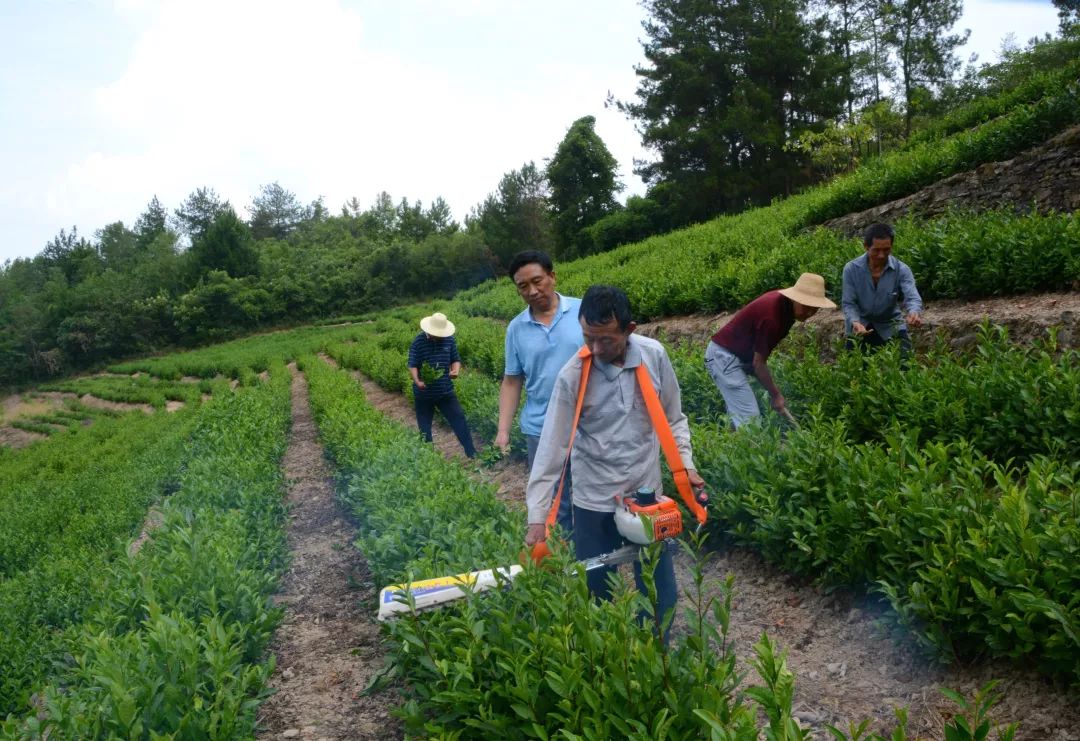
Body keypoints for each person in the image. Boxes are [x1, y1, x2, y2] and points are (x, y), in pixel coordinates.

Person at [524, 285, 706, 637]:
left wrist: (687, 466)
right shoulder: (573, 375)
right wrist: (537, 518)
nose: (594, 348)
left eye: (605, 340)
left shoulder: (654, 356)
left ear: (630, 329)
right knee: (599, 592)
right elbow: (551, 450)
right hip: (594, 498)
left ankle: (657, 651)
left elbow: (673, 418)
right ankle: (612, 658)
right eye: (587, 337)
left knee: (659, 590)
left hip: (646, 496)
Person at [496, 250, 583, 535]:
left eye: (538, 281)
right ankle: (565, 559)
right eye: (523, 286)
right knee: (554, 499)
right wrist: (503, 431)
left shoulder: (582, 312)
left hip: (587, 423)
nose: (532, 291)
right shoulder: (516, 329)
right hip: (540, 428)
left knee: (593, 492)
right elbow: (512, 381)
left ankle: (595, 553)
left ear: (552, 276)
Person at [705, 273, 836, 429]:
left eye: (814, 309)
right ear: (796, 298)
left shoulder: (785, 308)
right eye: (806, 306)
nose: (809, 313)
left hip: (732, 357)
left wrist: (771, 389)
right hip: (724, 358)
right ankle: (746, 451)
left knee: (739, 416)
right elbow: (758, 364)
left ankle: (730, 448)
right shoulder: (772, 316)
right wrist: (776, 395)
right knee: (750, 421)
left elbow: (756, 361)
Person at [842, 222, 924, 356]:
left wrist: (914, 312)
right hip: (861, 324)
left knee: (905, 365)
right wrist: (855, 322)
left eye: (886, 250)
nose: (881, 255)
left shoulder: (901, 269)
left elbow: (912, 296)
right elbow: (849, 303)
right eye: (876, 250)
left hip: (890, 324)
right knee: (855, 369)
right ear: (866, 247)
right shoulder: (851, 269)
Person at [407, 312, 476, 458]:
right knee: (425, 427)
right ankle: (429, 458)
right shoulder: (418, 341)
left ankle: (472, 453)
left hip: (445, 390)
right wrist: (417, 381)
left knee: (459, 419)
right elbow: (412, 364)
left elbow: (455, 359)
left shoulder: (449, 340)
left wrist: (455, 370)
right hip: (423, 393)